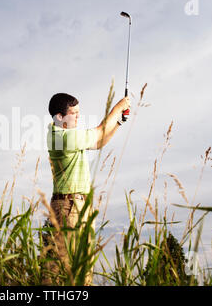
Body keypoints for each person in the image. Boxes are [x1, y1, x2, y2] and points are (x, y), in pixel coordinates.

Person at [43, 92, 130, 285]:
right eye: (73, 113)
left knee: (83, 270)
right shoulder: (61, 138)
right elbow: (99, 131)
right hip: (68, 207)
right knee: (58, 268)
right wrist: (118, 107)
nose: (78, 116)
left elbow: (98, 142)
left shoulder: (67, 135)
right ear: (59, 117)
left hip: (79, 206)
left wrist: (118, 123)